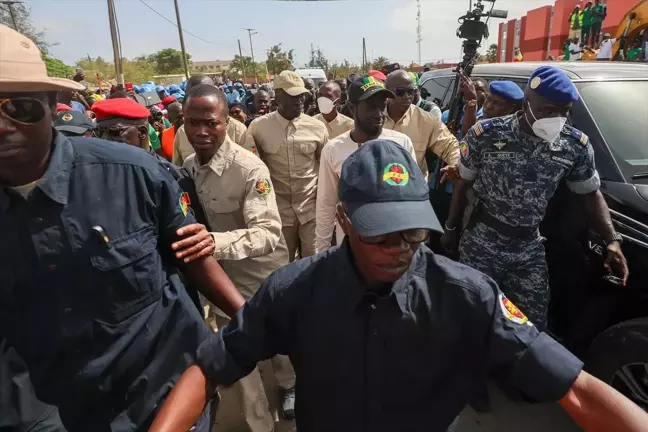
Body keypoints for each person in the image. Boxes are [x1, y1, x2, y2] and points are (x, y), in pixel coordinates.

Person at [151, 139, 648, 432]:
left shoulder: (468, 294)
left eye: (412, 230)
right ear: (345, 219)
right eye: (381, 233)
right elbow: (211, 364)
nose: (400, 246)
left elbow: (576, 390)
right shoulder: (293, 291)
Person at [0, 25, 245, 431]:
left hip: (164, 400)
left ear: (49, 103)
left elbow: (193, 258)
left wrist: (255, 324)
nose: (2, 125)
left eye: (19, 107)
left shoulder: (133, 175)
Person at [441, 66, 629, 330]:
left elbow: (589, 194)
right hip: (482, 241)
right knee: (474, 316)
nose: (556, 118)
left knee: (532, 324)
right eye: (547, 110)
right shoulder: (487, 135)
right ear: (527, 104)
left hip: (529, 247)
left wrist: (612, 239)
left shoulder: (574, 144)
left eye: (564, 111)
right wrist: (451, 227)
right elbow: (462, 184)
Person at [180, 84, 293, 429]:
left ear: (226, 122)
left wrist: (214, 242)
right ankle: (262, 424)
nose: (201, 132)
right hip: (221, 281)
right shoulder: (188, 166)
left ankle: (289, 387)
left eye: (210, 123)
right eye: (192, 122)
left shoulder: (250, 170)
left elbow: (268, 233)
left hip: (262, 277)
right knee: (241, 361)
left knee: (281, 347)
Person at [316, 75, 416, 251]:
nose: (378, 114)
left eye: (382, 106)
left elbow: (413, 200)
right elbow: (326, 204)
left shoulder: (402, 144)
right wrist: (322, 254)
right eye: (371, 107)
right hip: (351, 249)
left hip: (393, 248)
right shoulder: (333, 150)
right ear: (352, 108)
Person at [244, 70, 329, 261]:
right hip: (278, 211)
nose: (299, 101)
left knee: (314, 262)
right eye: (293, 96)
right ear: (278, 97)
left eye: (302, 96)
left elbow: (323, 165)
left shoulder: (317, 127)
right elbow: (254, 169)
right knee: (282, 263)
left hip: (310, 209)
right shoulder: (258, 127)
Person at [384, 70, 459, 181]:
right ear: (387, 93)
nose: (407, 96)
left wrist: (456, 163)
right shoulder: (373, 118)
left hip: (414, 192)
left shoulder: (427, 120)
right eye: (400, 92)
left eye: (411, 91)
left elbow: (450, 145)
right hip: (380, 191)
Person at [172, 74, 246, 166]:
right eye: (194, 94)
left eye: (212, 124)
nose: (200, 100)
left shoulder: (238, 129)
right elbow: (178, 168)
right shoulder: (181, 132)